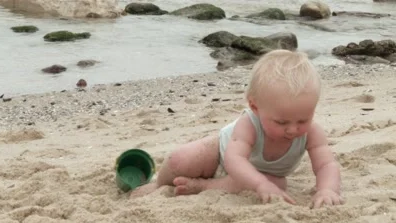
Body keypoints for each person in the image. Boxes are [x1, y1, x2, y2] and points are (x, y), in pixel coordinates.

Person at [130, 49, 344, 209]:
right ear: (255, 107)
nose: (293, 129)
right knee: (180, 160)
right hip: (221, 154)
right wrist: (260, 184)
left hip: (259, 174)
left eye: (303, 120)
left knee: (278, 183)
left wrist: (327, 189)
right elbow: (234, 160)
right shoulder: (249, 124)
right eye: (281, 122)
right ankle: (159, 183)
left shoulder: (312, 132)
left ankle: (204, 187)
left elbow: (326, 164)